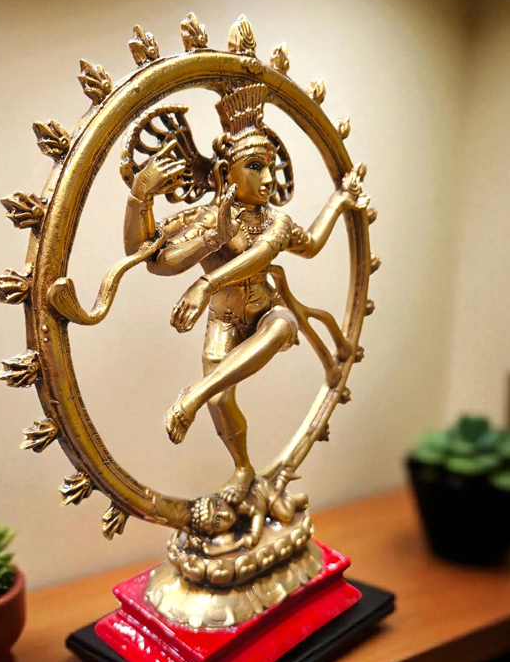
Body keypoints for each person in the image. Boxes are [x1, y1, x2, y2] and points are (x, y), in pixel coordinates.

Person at [123, 83, 368, 509]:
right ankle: (242, 468)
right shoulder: (207, 220)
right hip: (222, 321)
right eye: (255, 167)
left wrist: (339, 201)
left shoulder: (275, 221)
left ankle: (194, 395)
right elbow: (151, 258)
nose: (268, 180)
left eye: (269, 167)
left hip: (265, 312)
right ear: (225, 173)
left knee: (282, 327)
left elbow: (296, 247)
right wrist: (139, 197)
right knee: (222, 399)